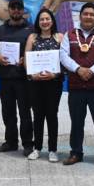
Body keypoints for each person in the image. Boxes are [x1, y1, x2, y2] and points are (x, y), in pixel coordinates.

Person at [60, 2, 94, 168]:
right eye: (85, 14)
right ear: (80, 16)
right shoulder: (69, 35)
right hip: (76, 87)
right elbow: (63, 55)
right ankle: (76, 153)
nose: (88, 17)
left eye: (92, 14)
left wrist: (92, 71)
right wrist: (78, 69)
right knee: (76, 122)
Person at [0, 0, 34, 156]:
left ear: (23, 10)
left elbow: (36, 51)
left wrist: (27, 58)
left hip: (24, 79)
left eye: (19, 8)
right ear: (9, 10)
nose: (16, 11)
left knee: (25, 113)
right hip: (5, 78)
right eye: (13, 8)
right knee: (8, 112)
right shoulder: (0, 30)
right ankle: (11, 142)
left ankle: (28, 144)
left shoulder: (31, 30)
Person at [25, 8, 64, 162]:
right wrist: (31, 74)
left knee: (52, 115)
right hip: (36, 84)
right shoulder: (32, 38)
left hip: (54, 83)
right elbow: (27, 59)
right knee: (38, 116)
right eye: (42, 19)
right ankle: (37, 148)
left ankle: (53, 149)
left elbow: (64, 60)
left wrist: (54, 74)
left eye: (47, 19)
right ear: (38, 22)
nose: (45, 22)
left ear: (52, 21)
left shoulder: (60, 37)